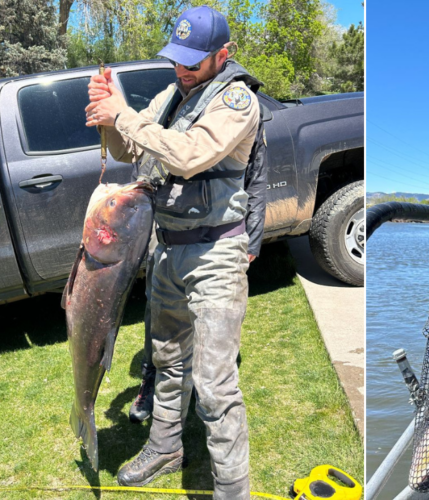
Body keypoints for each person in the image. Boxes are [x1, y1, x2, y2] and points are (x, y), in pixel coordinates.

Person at [84, 6, 263, 499]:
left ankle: (233, 490)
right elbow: (131, 149)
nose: (182, 69)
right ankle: (165, 447)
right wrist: (109, 114)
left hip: (216, 257)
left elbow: (187, 155)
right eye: (177, 59)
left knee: (215, 386)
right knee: (166, 358)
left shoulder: (237, 101)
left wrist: (122, 115)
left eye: (193, 61)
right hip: (167, 250)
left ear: (221, 55)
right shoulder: (171, 95)